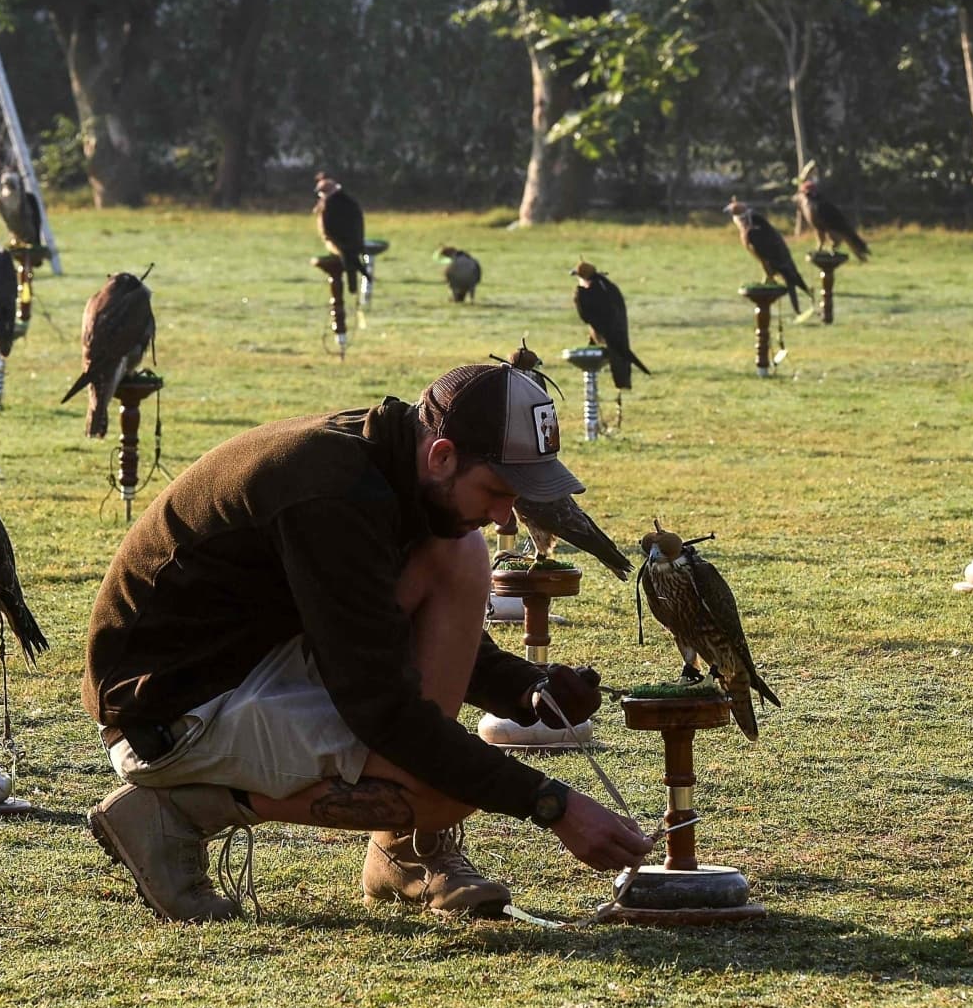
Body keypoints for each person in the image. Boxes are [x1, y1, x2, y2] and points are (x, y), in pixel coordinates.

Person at [81, 360, 652, 921]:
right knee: (442, 795)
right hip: (168, 716)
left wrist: (526, 690)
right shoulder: (332, 494)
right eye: (500, 490)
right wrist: (552, 804)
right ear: (443, 455)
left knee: (457, 552)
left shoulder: (387, 461)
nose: (506, 516)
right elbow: (383, 709)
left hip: (246, 664)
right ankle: (179, 807)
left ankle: (401, 852)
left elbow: (378, 629)